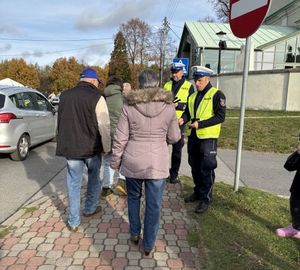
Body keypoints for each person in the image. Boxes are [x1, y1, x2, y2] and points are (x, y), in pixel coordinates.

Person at [110, 69, 180, 255]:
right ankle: (148, 244)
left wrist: (115, 162)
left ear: (140, 84)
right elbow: (174, 137)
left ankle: (134, 233)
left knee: (133, 198)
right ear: (158, 84)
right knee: (154, 204)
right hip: (157, 164)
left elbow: (120, 137)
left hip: (133, 162)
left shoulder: (130, 106)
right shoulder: (168, 106)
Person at [56, 67, 111, 232]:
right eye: (97, 82)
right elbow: (104, 125)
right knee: (94, 179)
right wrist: (107, 147)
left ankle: (73, 221)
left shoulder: (64, 96)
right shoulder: (97, 97)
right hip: (91, 148)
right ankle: (89, 209)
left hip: (71, 147)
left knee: (73, 183)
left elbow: (60, 122)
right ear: (94, 81)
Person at [179, 66, 226, 214]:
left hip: (208, 138)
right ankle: (198, 192)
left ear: (207, 79)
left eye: (199, 81)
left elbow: (220, 116)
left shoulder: (217, 94)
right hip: (193, 137)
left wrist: (201, 124)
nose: (197, 84)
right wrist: (183, 119)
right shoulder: (192, 96)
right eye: (195, 80)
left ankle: (206, 199)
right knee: (194, 166)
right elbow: (188, 112)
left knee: (206, 169)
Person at [164, 62, 194, 184]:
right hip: (165, 122)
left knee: (177, 150)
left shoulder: (189, 86)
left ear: (182, 72)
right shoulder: (167, 85)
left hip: (179, 122)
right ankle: (163, 172)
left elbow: (192, 106)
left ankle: (174, 175)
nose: (174, 75)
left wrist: (183, 116)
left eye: (176, 72)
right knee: (162, 149)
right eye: (173, 72)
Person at [101, 76, 125, 197]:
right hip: (120, 133)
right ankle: (121, 182)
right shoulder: (123, 98)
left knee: (107, 161)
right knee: (123, 159)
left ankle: (106, 187)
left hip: (105, 134)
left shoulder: (102, 97)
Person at [276, 142, 300, 238]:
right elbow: (289, 166)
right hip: (298, 188)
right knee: (295, 206)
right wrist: (298, 153)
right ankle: (296, 228)